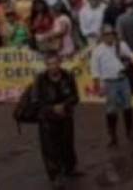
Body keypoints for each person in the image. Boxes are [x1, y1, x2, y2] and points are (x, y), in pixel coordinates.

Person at [30, 52, 80, 186]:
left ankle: (70, 168)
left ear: (60, 63)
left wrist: (65, 105)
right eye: (50, 64)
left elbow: (75, 97)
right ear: (46, 65)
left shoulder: (68, 76)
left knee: (68, 143)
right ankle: (55, 175)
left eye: (55, 63)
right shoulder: (40, 79)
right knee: (50, 148)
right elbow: (35, 101)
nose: (53, 67)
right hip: (47, 119)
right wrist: (52, 108)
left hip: (65, 116)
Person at [88, 25, 133, 147]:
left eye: (111, 33)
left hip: (123, 79)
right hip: (109, 83)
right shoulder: (97, 50)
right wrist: (98, 86)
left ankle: (130, 131)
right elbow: (95, 69)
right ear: (102, 36)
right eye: (106, 34)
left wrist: (128, 61)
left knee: (128, 105)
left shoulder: (121, 45)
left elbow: (132, 56)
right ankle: (112, 135)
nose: (109, 36)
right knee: (111, 109)